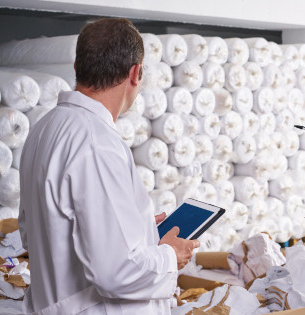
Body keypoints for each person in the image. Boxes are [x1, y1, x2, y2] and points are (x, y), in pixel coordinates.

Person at [19, 18, 199, 314]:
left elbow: (35, 231)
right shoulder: (96, 143)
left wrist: (137, 229)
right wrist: (170, 255)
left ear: (77, 67)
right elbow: (116, 272)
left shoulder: (44, 128)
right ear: (136, 73)